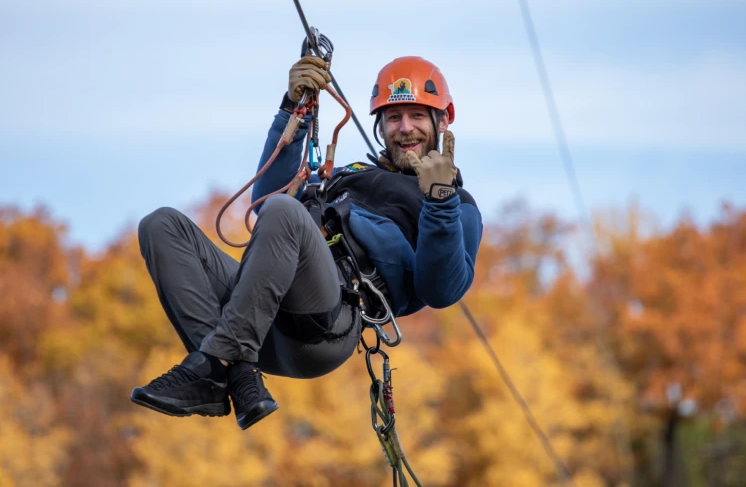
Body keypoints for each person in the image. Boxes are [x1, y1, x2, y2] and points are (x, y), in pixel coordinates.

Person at [130, 55, 483, 430]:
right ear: (380, 125)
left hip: (324, 320)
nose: (405, 129)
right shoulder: (348, 176)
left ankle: (214, 362)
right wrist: (292, 111)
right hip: (258, 311)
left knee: (285, 212)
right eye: (394, 118)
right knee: (161, 225)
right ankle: (225, 376)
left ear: (443, 121)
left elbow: (441, 290)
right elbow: (265, 203)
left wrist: (439, 199)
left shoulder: (455, 205)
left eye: (417, 116)